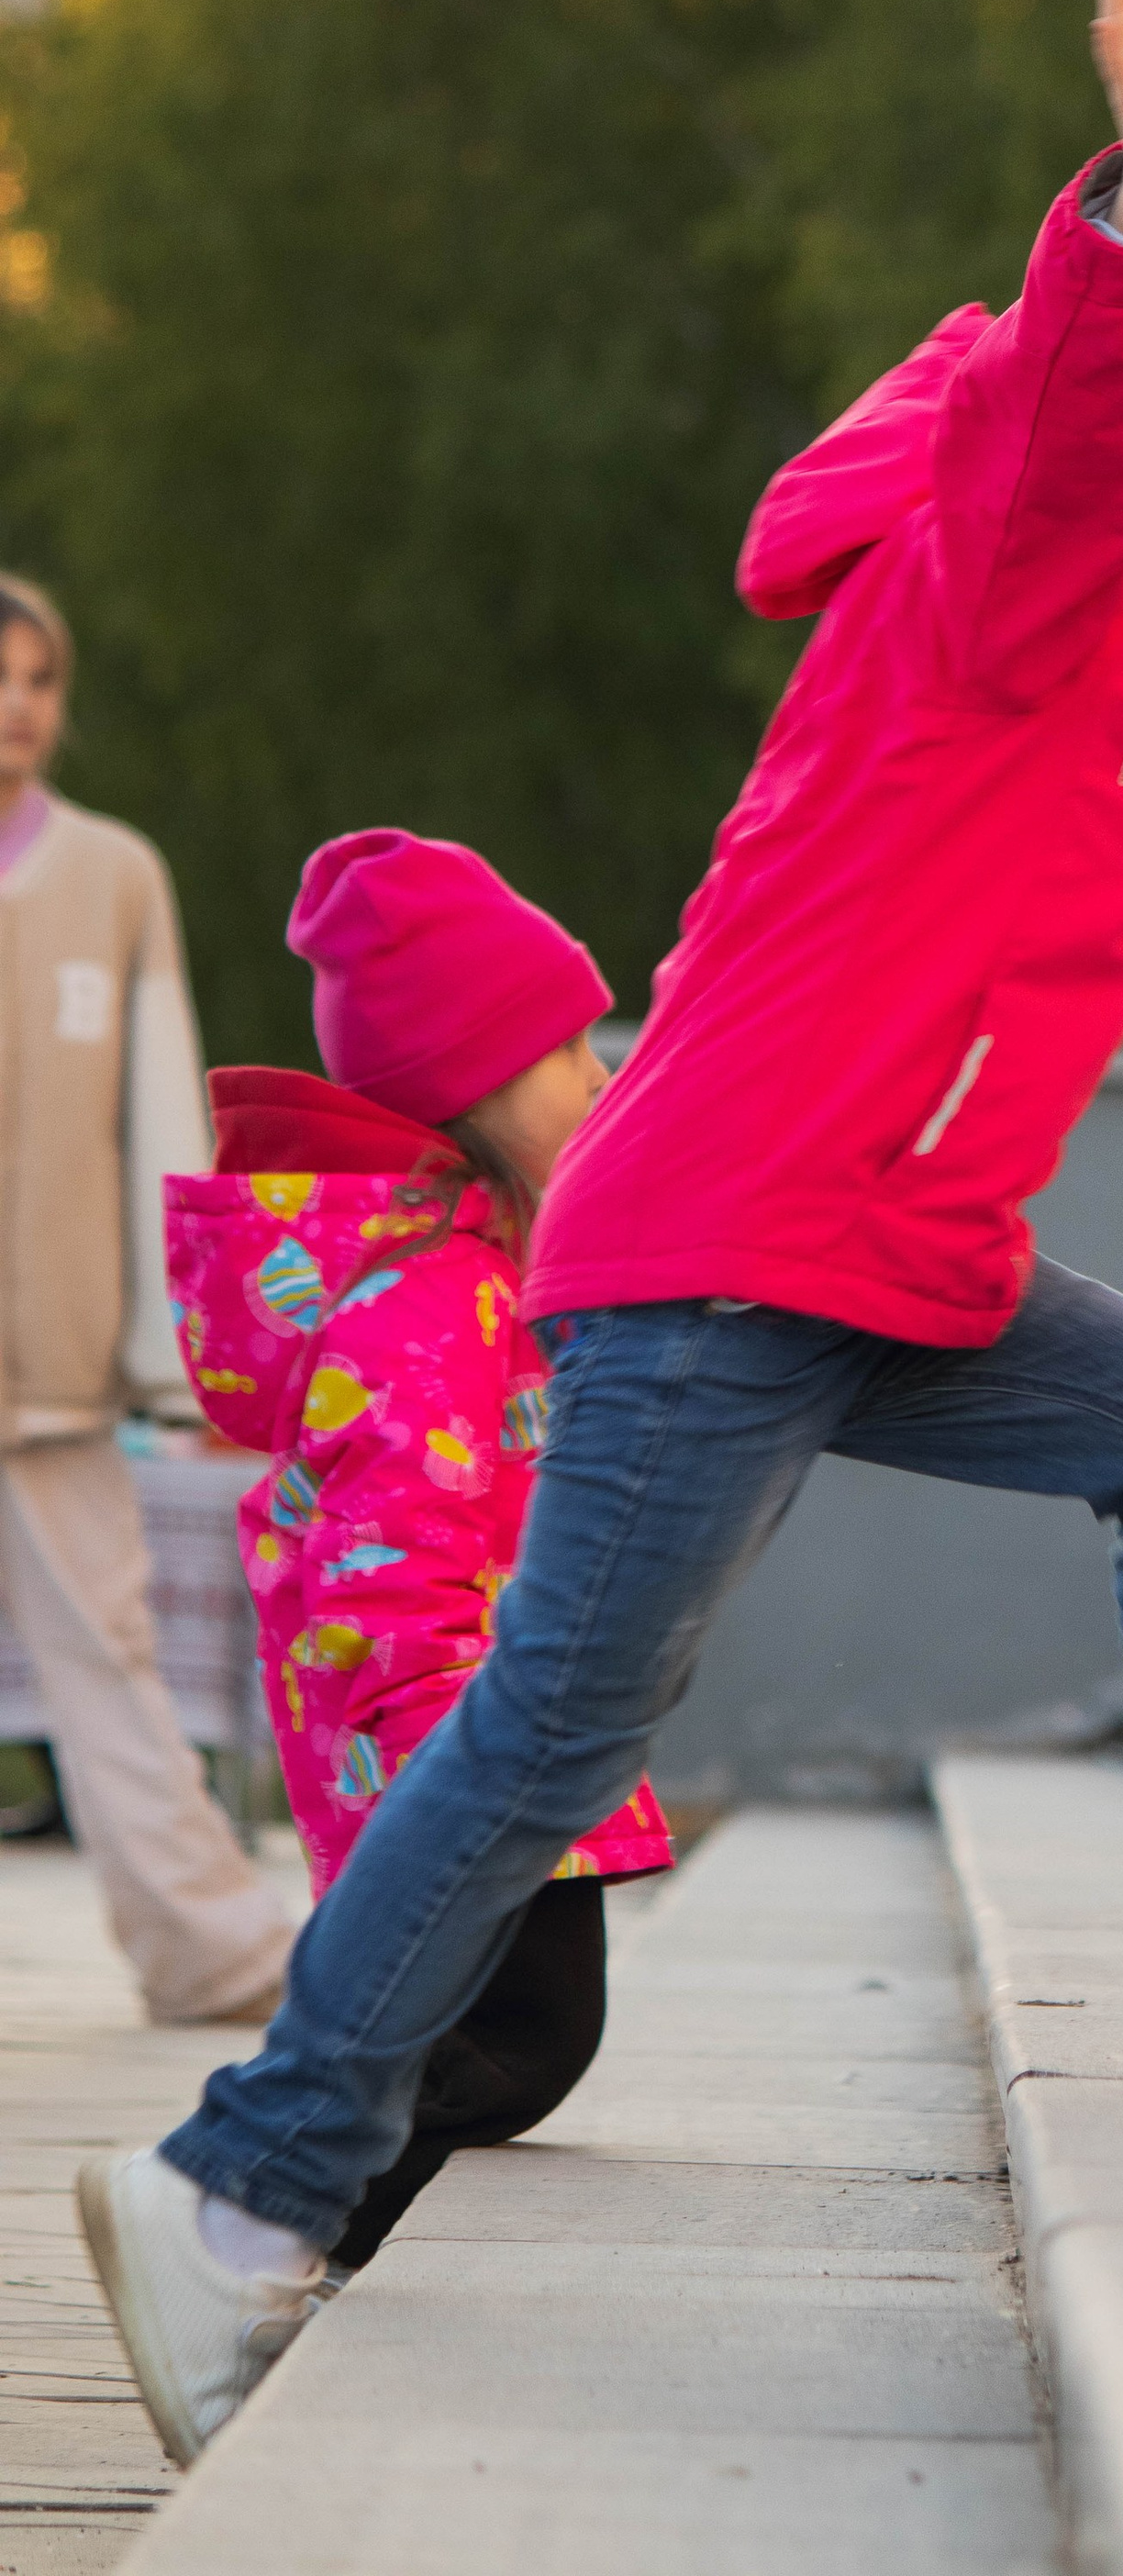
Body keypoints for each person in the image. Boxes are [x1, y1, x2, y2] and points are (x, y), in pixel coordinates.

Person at [80, 0, 1123, 2463]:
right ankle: (241, 2182)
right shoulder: (1007, 606)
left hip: (887, 1250)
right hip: (730, 1238)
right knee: (562, 1712)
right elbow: (1083, 442)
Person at [164, 830, 673, 2279]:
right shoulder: (425, 1305)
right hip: (452, 1753)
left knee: (509, 2047)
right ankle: (250, 2208)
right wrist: (454, 1774)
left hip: (486, 1744)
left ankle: (295, 2227)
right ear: (473, 1087)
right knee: (520, 2045)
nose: (604, 1078)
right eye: (574, 1054)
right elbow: (389, 1567)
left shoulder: (488, 1257)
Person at [0, 571, 292, 2017]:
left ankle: (215, 1952)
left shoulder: (117, 876)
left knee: (108, 1658)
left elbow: (161, 1112)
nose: (17, 707)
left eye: (39, 679)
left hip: (54, 1357)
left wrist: (170, 1338)